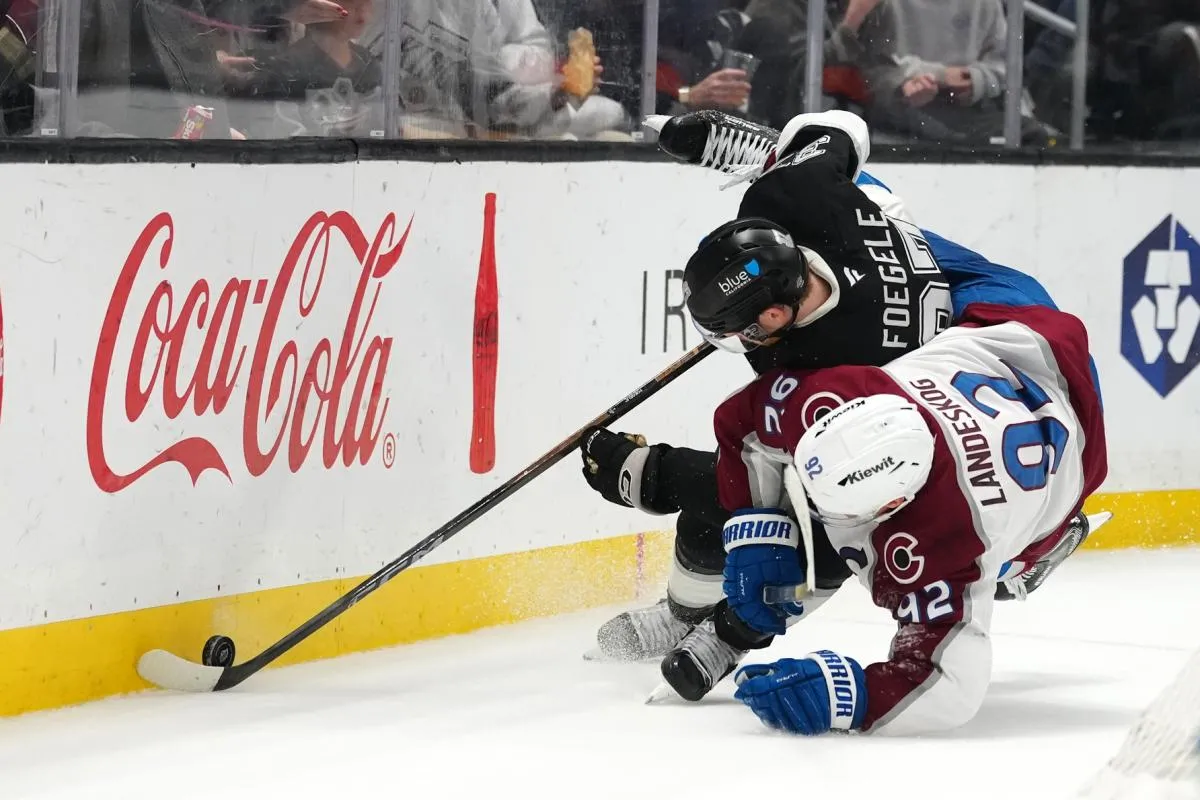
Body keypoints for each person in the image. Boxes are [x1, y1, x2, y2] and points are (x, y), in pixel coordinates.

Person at [579, 109, 1098, 667]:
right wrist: (790, 159)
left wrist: (661, 477)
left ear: (776, 315)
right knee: (870, 200)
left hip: (971, 339)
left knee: (877, 494)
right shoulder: (796, 196)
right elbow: (840, 128)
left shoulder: (838, 371)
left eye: (745, 331)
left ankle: (1020, 552)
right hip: (959, 282)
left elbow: (807, 519)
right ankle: (771, 152)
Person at [681, 298, 1107, 735]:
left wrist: (844, 696)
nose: (809, 510)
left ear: (893, 506)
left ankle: (1031, 557)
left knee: (1014, 552)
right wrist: (757, 529)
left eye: (833, 507)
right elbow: (743, 420)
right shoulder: (834, 398)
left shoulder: (954, 541)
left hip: (1070, 457)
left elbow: (950, 686)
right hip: (1025, 337)